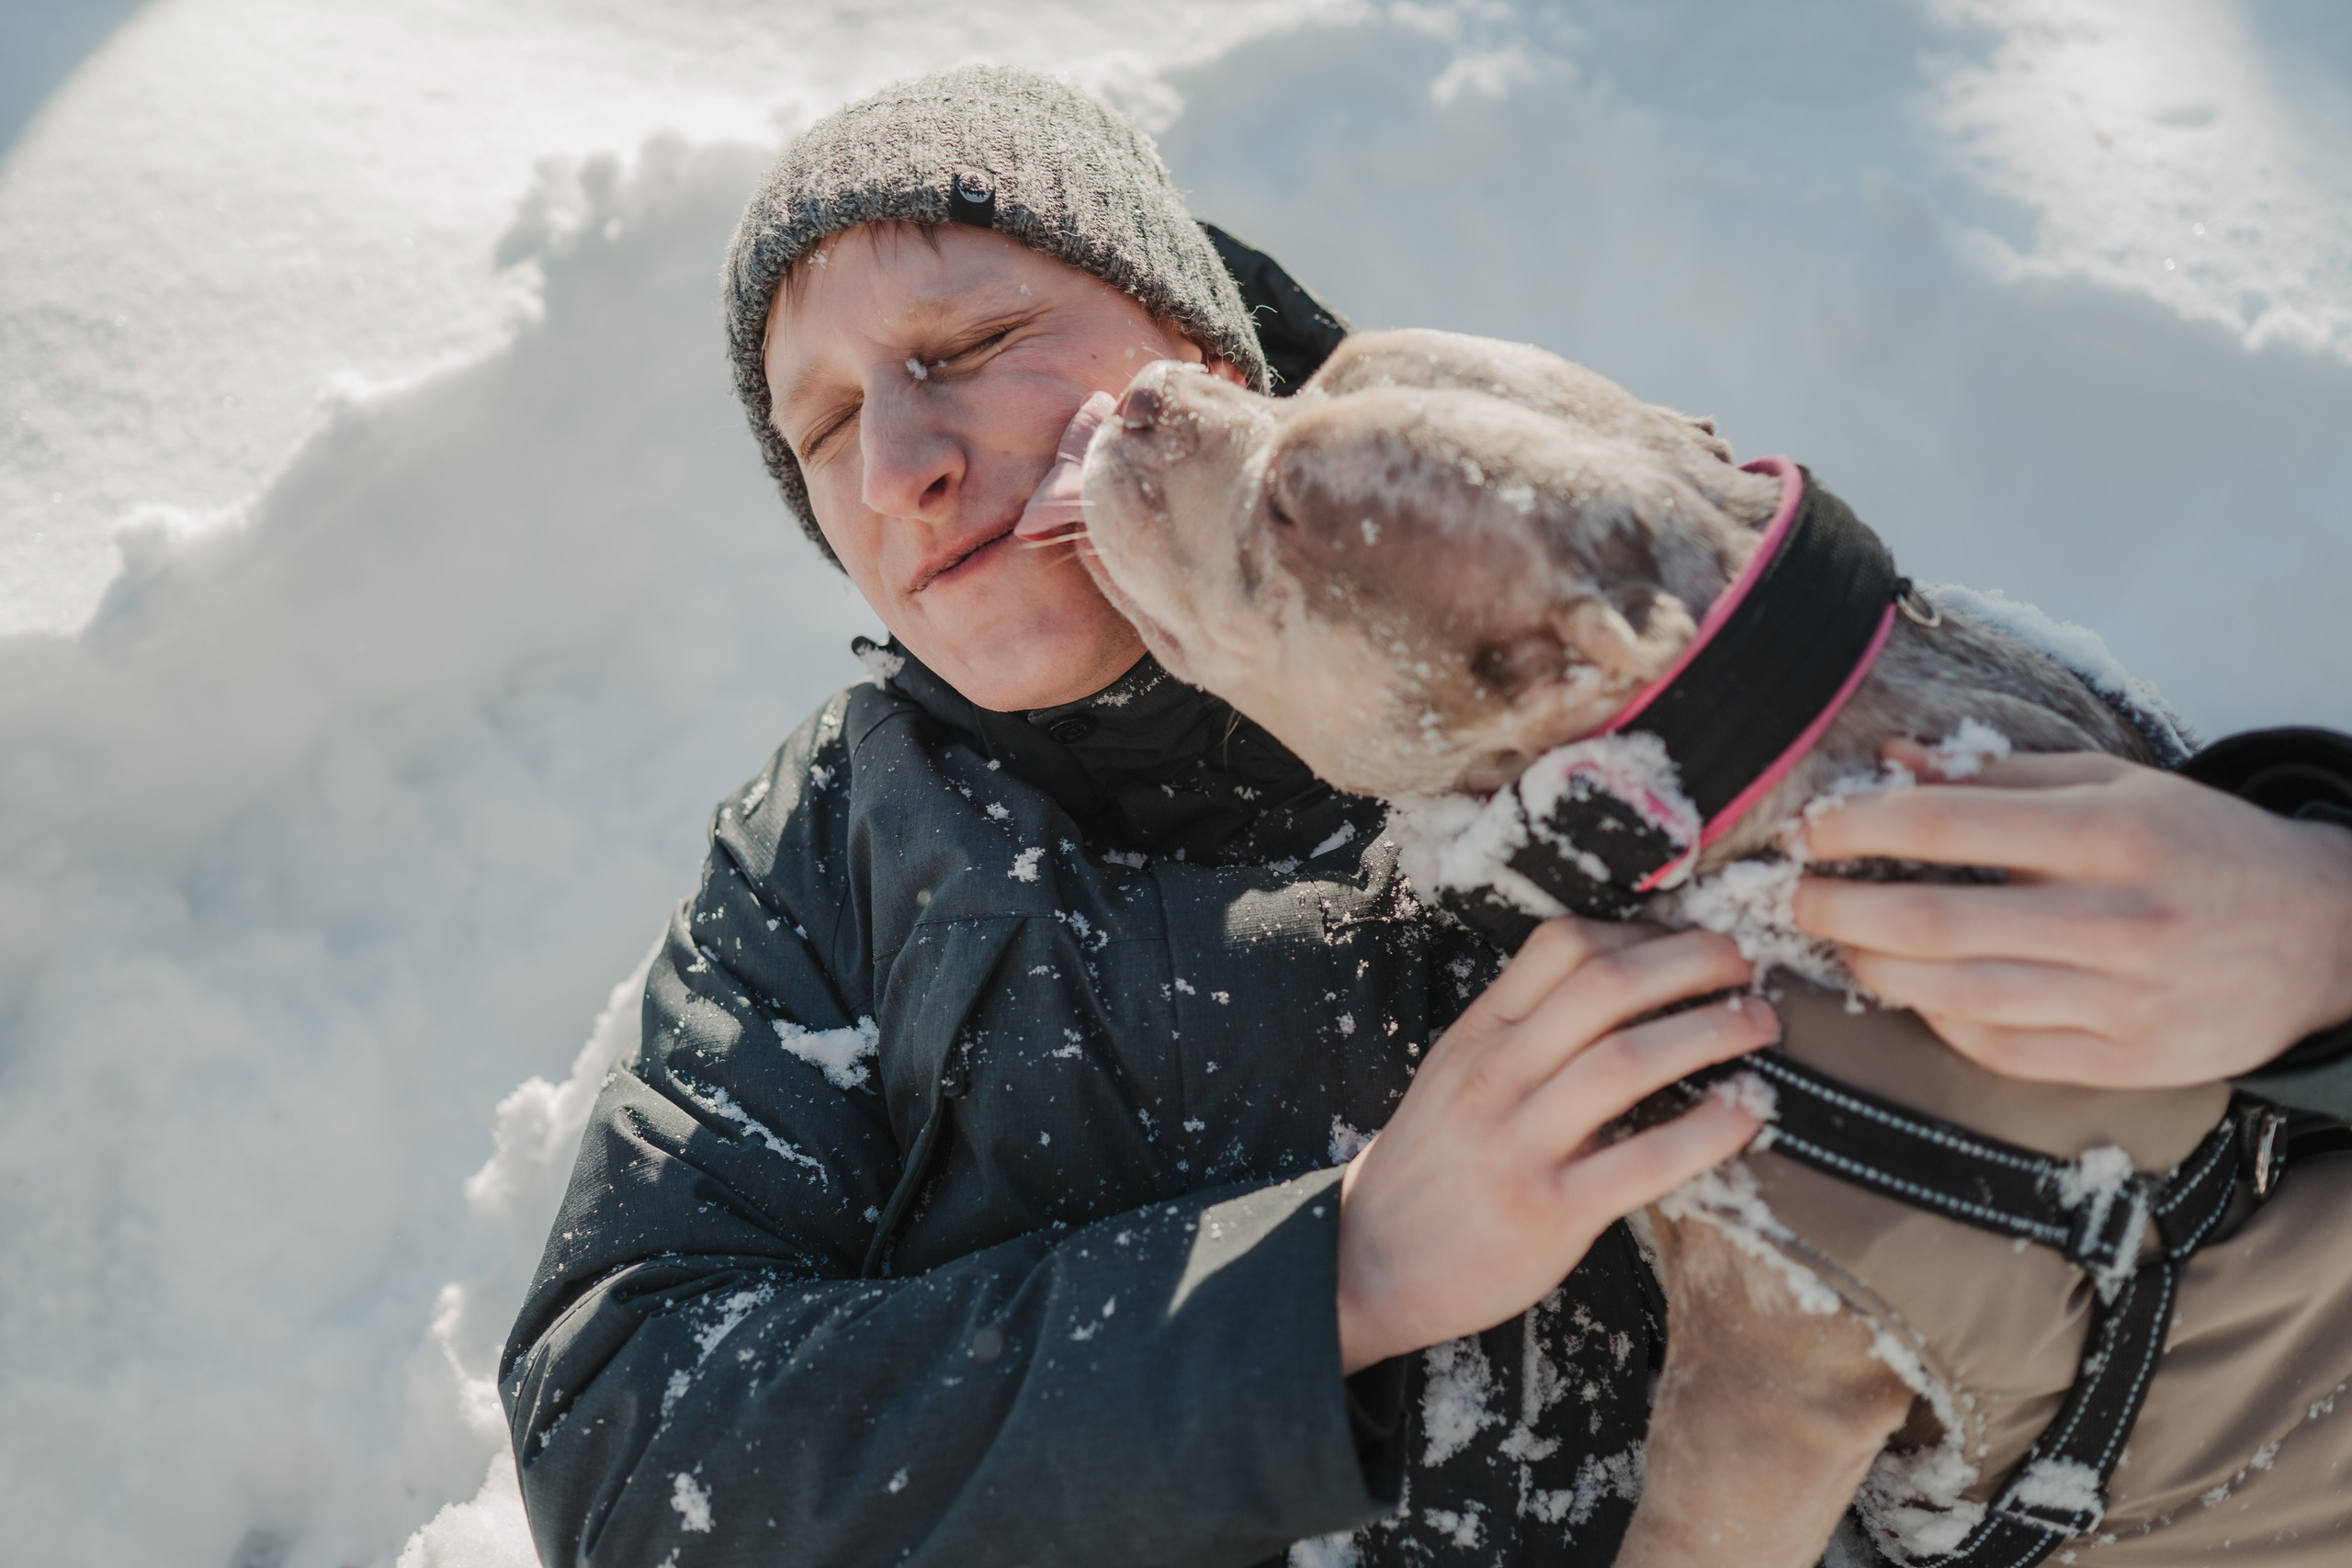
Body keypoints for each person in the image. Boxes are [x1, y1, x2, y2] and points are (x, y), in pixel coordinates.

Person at [500, 66, 2352, 1567]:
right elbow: (634, 1448)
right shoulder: (831, 851)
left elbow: (2149, 1202)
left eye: (969, 335)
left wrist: (2320, 925)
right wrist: (1331, 1276)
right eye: (822, 431)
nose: (901, 461)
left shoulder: (1536, 623)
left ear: (1197, 346)